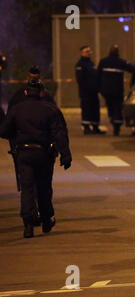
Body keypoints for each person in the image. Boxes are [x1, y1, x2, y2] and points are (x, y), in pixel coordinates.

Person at [0, 79, 72, 238]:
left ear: (26, 93)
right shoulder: (50, 110)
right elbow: (59, 133)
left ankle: (28, 223)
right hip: (43, 153)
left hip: (24, 153)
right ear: (42, 93)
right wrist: (65, 155)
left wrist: (17, 137)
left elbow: (4, 130)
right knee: (44, 188)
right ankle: (46, 220)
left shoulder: (17, 109)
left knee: (27, 188)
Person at [98, 45, 135, 136]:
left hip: (106, 91)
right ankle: (116, 127)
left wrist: (100, 89)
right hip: (117, 90)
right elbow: (133, 69)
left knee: (110, 107)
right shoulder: (121, 62)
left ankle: (113, 121)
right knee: (117, 108)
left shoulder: (103, 62)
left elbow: (98, 76)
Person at [75, 45, 105, 135]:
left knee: (95, 109)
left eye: (89, 51)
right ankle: (87, 127)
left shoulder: (91, 64)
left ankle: (95, 127)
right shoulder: (80, 64)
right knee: (87, 109)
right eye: (86, 51)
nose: (89, 53)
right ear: (82, 53)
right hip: (86, 92)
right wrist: (87, 88)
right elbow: (80, 79)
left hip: (94, 92)